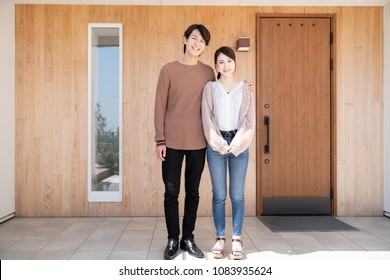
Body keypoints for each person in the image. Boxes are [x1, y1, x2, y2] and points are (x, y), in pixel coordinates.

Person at [154, 24, 215, 260]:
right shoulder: (168, 70)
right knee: (171, 193)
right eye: (194, 38)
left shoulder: (209, 72)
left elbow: (221, 94)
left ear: (205, 46)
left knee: (193, 192)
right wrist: (160, 140)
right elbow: (159, 107)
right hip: (171, 143)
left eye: (202, 41)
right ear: (185, 39)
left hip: (199, 143)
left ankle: (187, 238)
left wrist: (245, 87)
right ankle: (172, 239)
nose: (197, 43)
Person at [201, 46, 255, 260]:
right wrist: (219, 143)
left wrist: (238, 143)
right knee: (219, 195)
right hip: (216, 145)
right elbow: (206, 117)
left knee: (237, 196)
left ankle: (237, 239)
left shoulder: (245, 88)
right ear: (216, 66)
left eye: (229, 61)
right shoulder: (210, 88)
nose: (225, 65)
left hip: (239, 143)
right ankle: (220, 238)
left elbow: (249, 120)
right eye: (221, 62)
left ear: (235, 63)